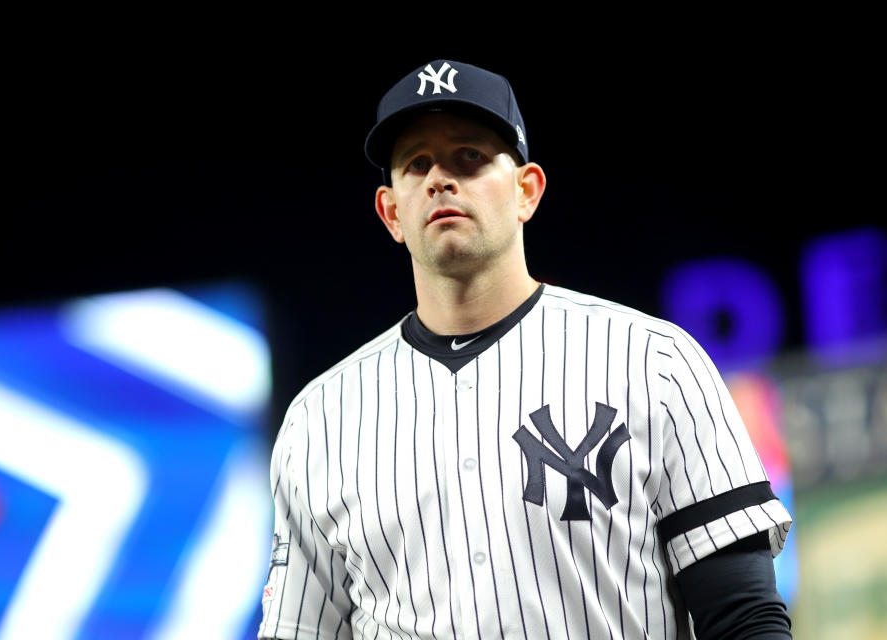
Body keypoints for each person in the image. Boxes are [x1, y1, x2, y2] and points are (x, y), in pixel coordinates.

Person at [258, 59, 793, 640]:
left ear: (526, 191)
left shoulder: (653, 361)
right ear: (391, 212)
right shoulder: (320, 421)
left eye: (470, 156)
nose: (441, 178)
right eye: (417, 163)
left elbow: (743, 617)